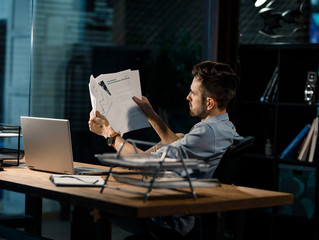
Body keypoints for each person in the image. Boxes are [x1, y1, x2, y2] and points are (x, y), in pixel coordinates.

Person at [86, 61, 244, 238]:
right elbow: (176, 146)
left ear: (209, 103)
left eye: (193, 93)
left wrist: (108, 133)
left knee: (92, 206)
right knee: (178, 136)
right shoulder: (224, 127)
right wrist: (150, 114)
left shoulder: (207, 132)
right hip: (181, 211)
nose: (187, 97)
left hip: (171, 219)